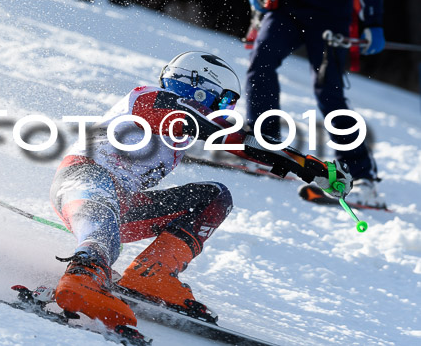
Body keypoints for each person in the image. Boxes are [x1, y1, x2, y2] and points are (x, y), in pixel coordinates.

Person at [49, 51, 353, 329]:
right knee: (104, 224)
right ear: (198, 88)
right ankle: (81, 277)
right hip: (85, 182)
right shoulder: (152, 98)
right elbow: (226, 133)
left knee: (213, 197)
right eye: (224, 102)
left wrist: (307, 166)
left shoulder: (180, 129)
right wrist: (302, 163)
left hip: (125, 204)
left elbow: (235, 138)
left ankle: (152, 275)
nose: (226, 111)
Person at [240, 0, 385, 208]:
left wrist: (373, 21)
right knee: (260, 65)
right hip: (286, 9)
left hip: (330, 16)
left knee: (329, 93)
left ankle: (363, 176)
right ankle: (265, 143)